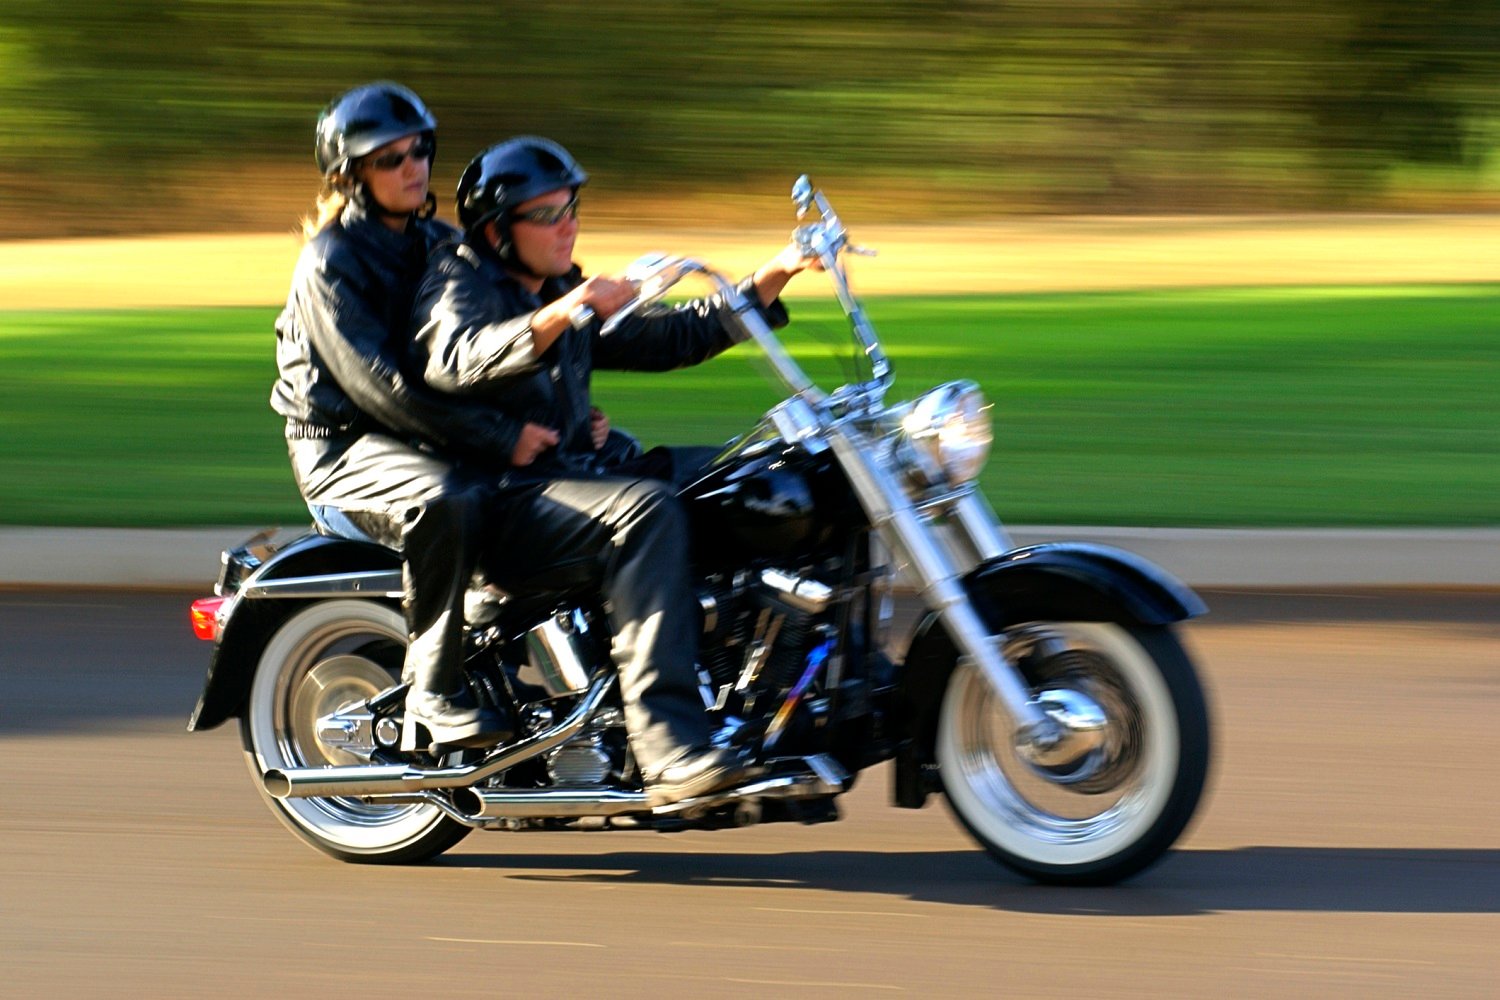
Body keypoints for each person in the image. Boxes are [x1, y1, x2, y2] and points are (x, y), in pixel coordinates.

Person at [407, 136, 818, 805]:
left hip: (572, 476)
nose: (567, 225)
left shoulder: (555, 286)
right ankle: (669, 749)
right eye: (546, 214)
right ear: (497, 230)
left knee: (751, 478)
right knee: (647, 511)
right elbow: (460, 357)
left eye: (571, 209)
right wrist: (565, 311)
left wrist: (779, 271)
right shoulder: (459, 281)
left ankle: (779, 691)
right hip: (504, 503)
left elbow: (671, 336)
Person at [272, 82, 531, 751]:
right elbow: (382, 388)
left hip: (419, 435)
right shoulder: (329, 261)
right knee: (447, 498)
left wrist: (564, 409)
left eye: (420, 150)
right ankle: (433, 690)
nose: (413, 166)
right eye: (390, 158)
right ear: (350, 175)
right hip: (343, 447)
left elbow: (488, 343)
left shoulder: (439, 240)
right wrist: (501, 436)